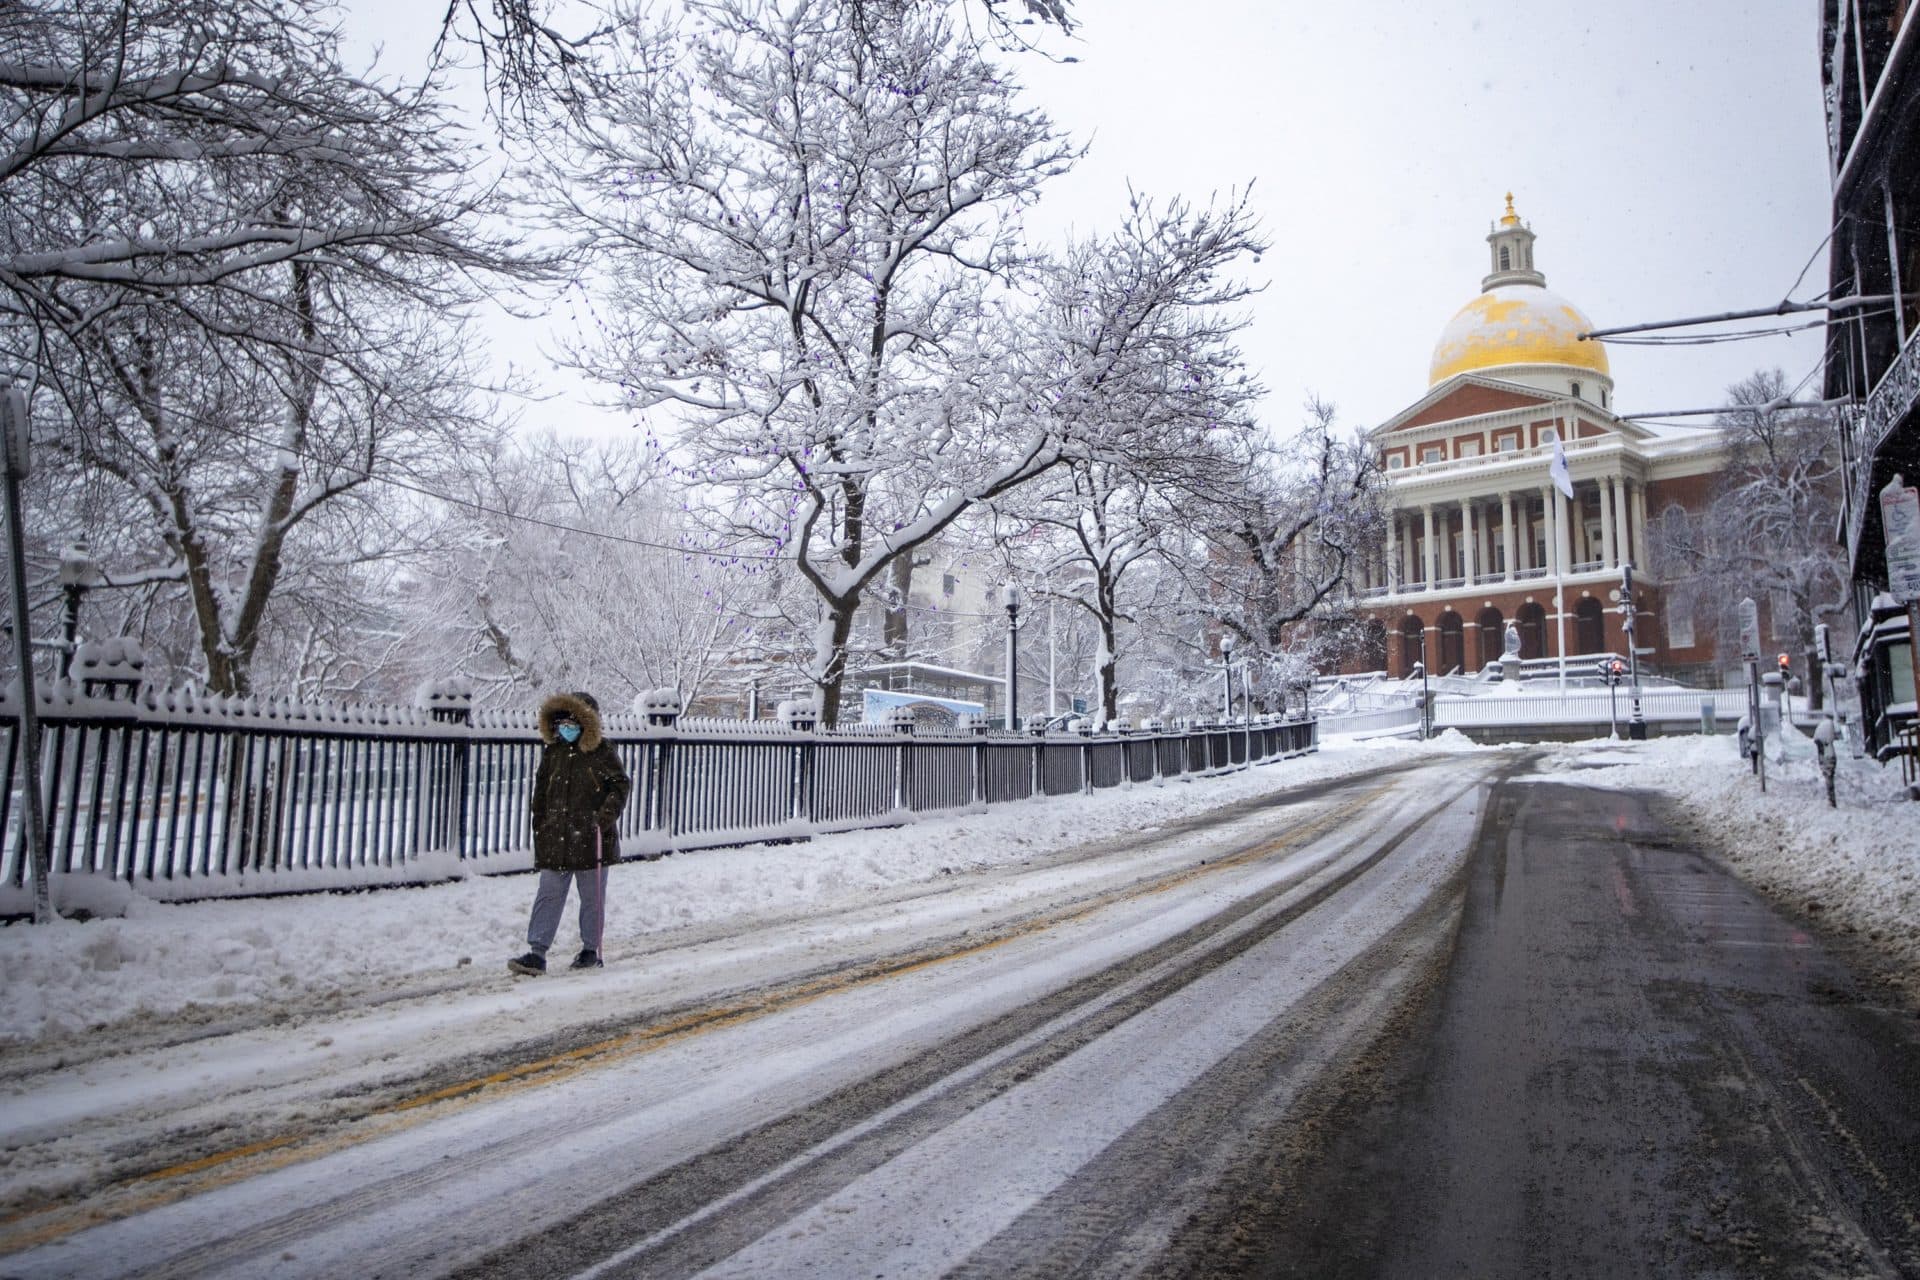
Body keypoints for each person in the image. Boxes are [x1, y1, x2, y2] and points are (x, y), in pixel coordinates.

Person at [509, 691, 631, 975]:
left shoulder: (602, 752)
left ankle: (590, 949)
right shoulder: (553, 753)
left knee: (591, 897)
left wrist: (602, 818)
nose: (566, 728)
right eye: (562, 722)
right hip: (557, 838)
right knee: (548, 894)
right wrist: (540, 822)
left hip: (590, 838)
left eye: (572, 722)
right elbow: (541, 792)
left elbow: (620, 786)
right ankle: (537, 952)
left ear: (587, 724)